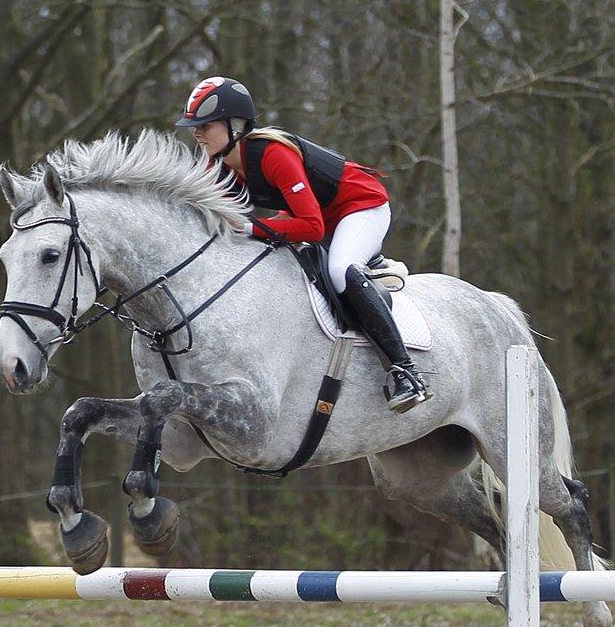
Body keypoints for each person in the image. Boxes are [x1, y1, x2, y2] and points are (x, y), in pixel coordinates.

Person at [174, 76, 428, 413]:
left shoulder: (273, 154)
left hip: (360, 206)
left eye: (205, 125)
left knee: (339, 271)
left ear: (235, 126)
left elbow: (311, 226)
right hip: (316, 213)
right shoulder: (217, 166)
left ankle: (405, 372)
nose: (197, 133)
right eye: (195, 126)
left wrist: (251, 226)